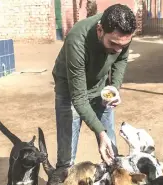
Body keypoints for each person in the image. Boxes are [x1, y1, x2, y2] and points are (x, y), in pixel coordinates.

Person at [52, 4, 136, 169]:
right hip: (69, 90)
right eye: (113, 43)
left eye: (124, 45)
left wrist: (114, 87)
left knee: (112, 152)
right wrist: (100, 131)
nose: (119, 49)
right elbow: (79, 98)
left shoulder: (122, 35)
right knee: (66, 156)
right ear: (99, 30)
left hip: (99, 87)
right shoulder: (77, 39)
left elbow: (121, 60)